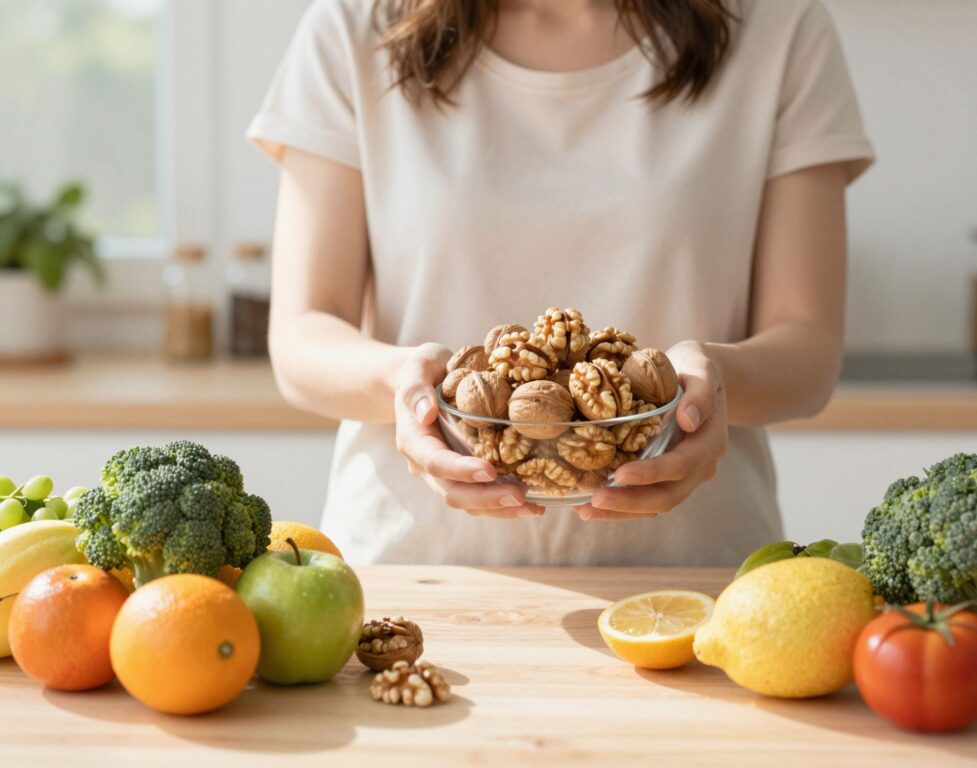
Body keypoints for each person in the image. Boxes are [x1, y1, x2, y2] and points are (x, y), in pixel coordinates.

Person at [248, 0, 874, 566]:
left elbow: (808, 347)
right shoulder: (354, 28)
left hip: (692, 583)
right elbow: (302, 336)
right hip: (417, 578)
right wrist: (404, 386)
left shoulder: (780, 27)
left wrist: (711, 383)